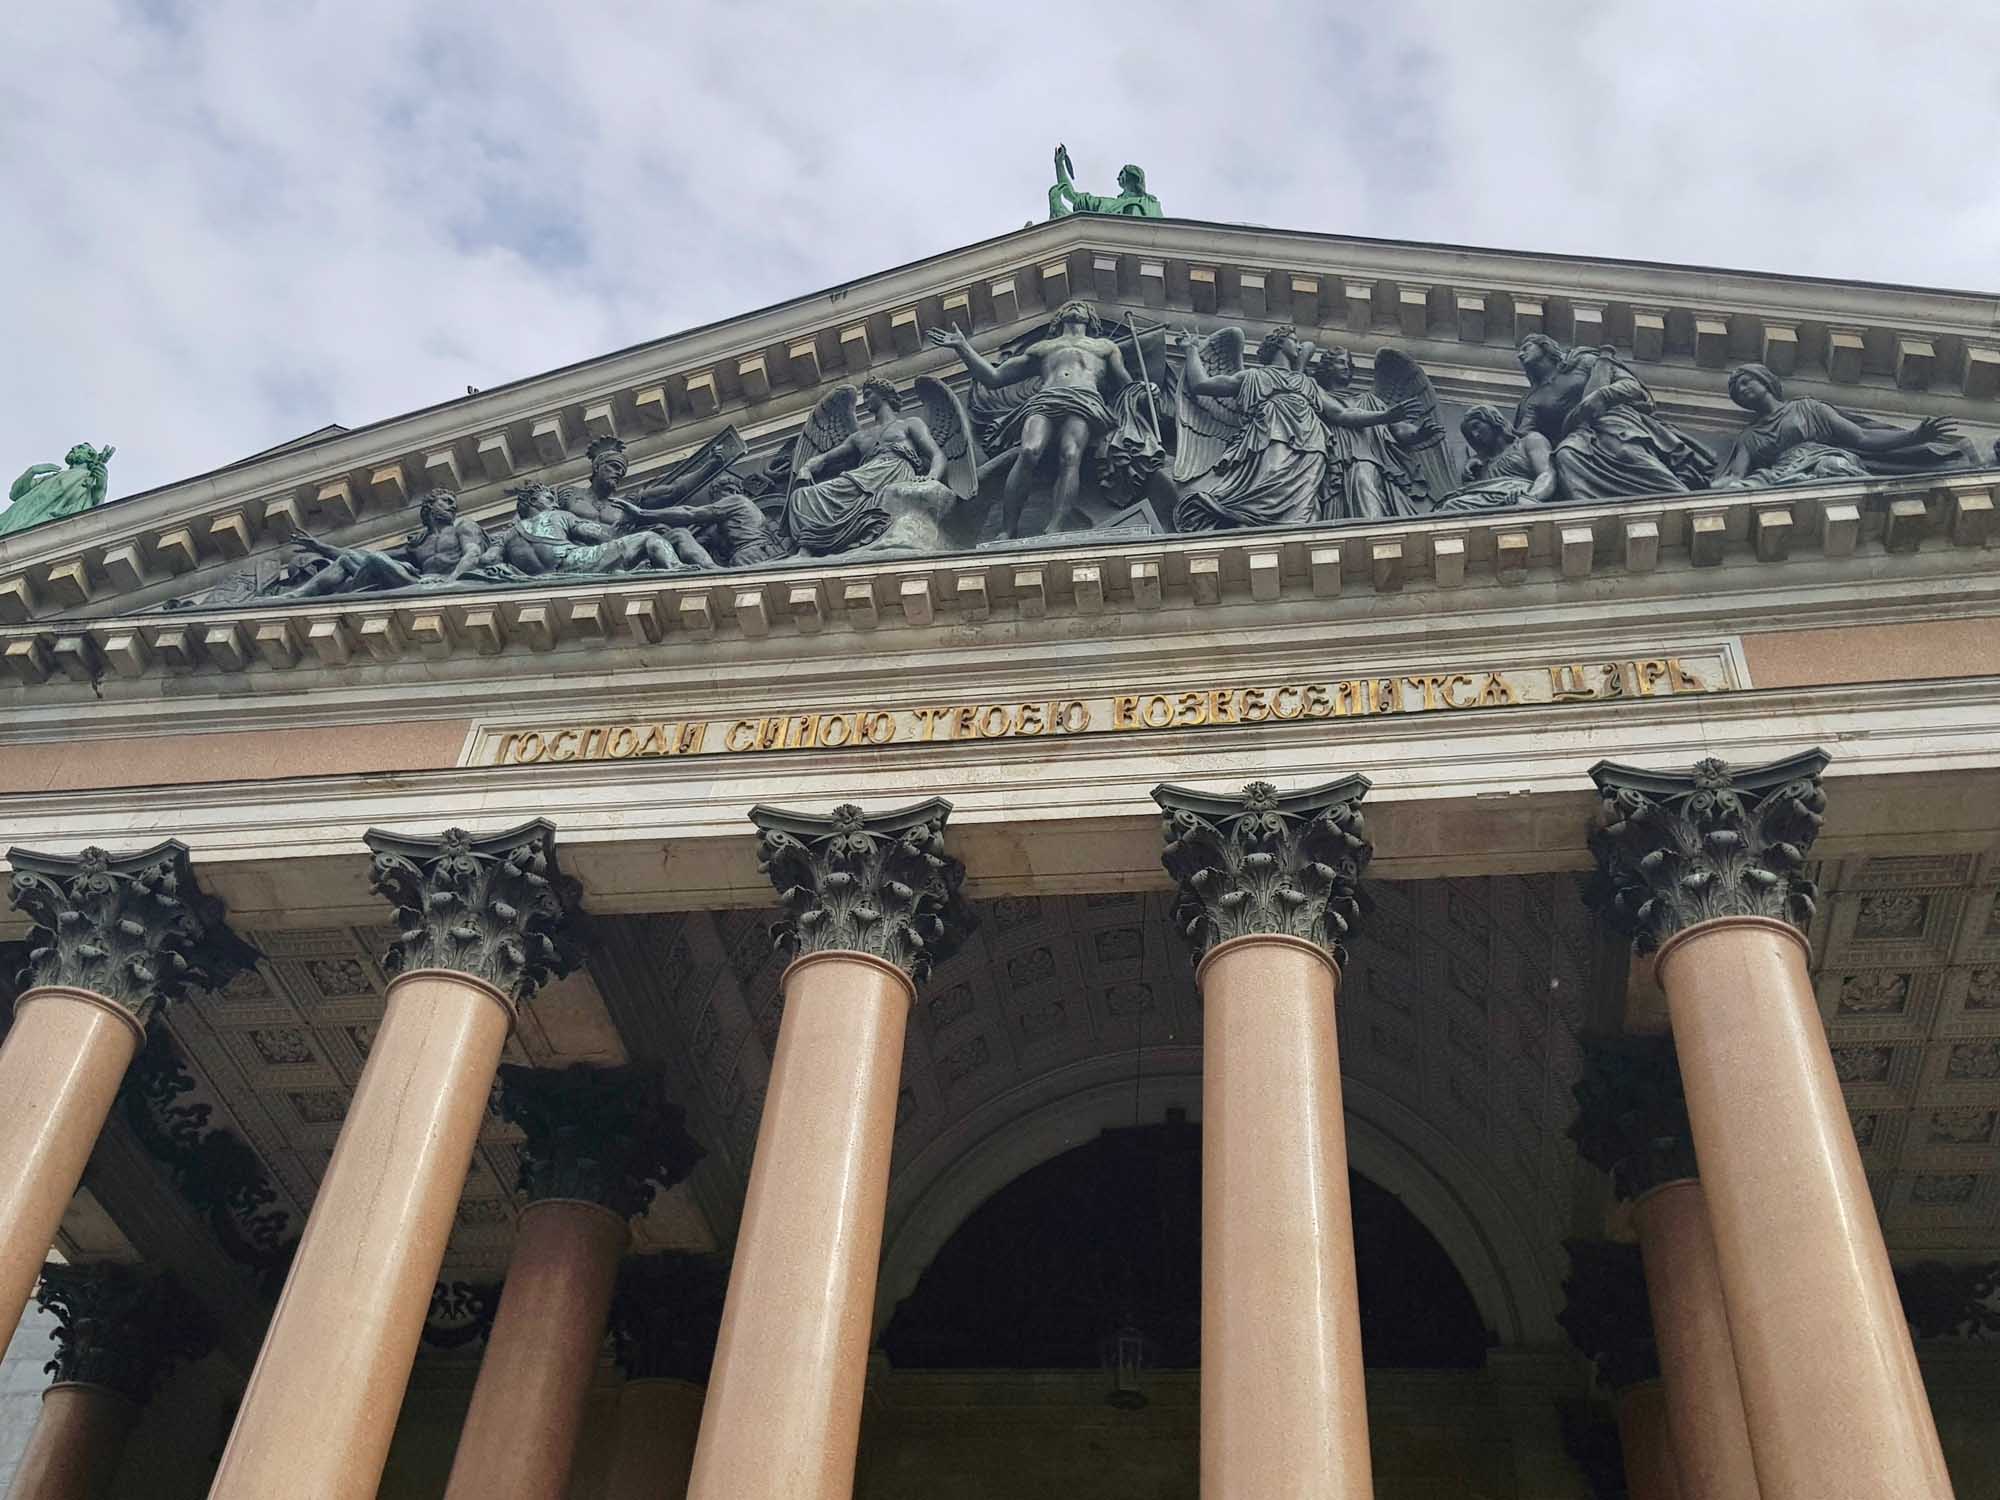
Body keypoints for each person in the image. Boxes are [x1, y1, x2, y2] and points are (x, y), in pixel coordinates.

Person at [928, 301, 1162, 539]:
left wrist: (1144, 389)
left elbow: (1125, 382)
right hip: (1046, 399)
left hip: (1085, 400)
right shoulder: (1043, 348)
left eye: (1081, 306)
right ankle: (1008, 529)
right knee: (1029, 450)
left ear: (1091, 319)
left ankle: (1055, 528)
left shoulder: (1105, 347)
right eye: (1070, 305)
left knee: (1070, 455)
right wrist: (962, 347)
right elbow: (994, 377)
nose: (1076, 307)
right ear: (1059, 316)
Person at [1173, 326, 1422, 531]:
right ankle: (1253, 523)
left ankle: (1300, 533)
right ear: (1280, 344)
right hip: (1272, 433)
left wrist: (1385, 416)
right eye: (1294, 340)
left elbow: (1341, 413)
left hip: (1312, 444)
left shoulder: (1306, 383)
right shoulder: (1252, 377)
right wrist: (1192, 350)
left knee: (1306, 497)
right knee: (1272, 476)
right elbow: (1200, 384)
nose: (1298, 345)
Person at [1514, 334, 1714, 500]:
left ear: (1544, 346)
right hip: (1576, 437)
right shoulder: (1532, 399)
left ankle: (1678, 497)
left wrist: (1603, 395)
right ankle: (1590, 513)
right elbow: (1524, 437)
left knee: (1622, 447)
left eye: (1526, 347)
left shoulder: (1584, 362)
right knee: (1566, 455)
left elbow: (1634, 389)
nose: (1520, 354)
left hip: (1610, 418)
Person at [1713, 362, 1962, 488]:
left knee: (1834, 467)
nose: (1743, 390)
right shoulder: (1749, 437)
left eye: (1747, 382)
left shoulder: (1808, 408)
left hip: (1823, 461)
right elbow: (1736, 476)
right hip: (1777, 475)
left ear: (1765, 381)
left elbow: (1861, 437)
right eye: (1737, 390)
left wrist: (1914, 436)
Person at [787, 380, 951, 554]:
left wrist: (931, 476)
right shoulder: (859, 437)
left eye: (868, 394)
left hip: (893, 471)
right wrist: (806, 468)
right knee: (801, 495)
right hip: (861, 477)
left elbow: (937, 455)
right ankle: (806, 550)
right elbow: (823, 459)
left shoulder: (909, 424)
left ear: (884, 395)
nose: (865, 400)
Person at [501, 484, 702, 575]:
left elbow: (487, 560)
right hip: (575, 562)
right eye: (549, 498)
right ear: (534, 500)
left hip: (542, 575)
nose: (554, 503)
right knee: (649, 538)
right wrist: (626, 528)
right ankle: (677, 570)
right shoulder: (558, 515)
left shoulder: (507, 536)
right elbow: (596, 535)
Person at [642, 473, 794, 567]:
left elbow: (689, 513)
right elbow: (698, 545)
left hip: (756, 553)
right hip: (741, 560)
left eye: (736, 491)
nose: (733, 494)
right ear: (715, 494)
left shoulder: (738, 501)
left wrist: (642, 514)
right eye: (728, 490)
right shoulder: (714, 529)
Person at [1436, 406, 1558, 512]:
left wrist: (1531, 496)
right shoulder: (1479, 464)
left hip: (1520, 495)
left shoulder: (1530, 441)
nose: (1475, 434)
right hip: (1490, 502)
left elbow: (1548, 473)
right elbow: (1480, 492)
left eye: (1477, 426)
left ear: (1493, 421)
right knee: (1449, 507)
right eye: (1470, 433)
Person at [2, 443, 114, 537]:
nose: (73, 448)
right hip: (13, 520)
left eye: (80, 448)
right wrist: (31, 472)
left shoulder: (88, 479)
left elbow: (94, 507)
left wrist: (100, 486)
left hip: (39, 526)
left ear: (90, 456)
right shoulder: (52, 477)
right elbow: (15, 494)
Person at [1047, 144, 1162, 219]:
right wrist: (1059, 164)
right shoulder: (1105, 204)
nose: (1117, 178)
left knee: (1134, 208)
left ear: (1134, 177)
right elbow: (1070, 194)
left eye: (1122, 173)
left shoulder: (1150, 203)